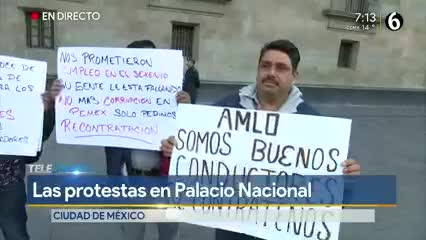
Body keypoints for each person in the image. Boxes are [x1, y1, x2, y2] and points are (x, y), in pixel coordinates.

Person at [160, 39, 361, 240]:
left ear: (294, 76)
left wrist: (347, 180)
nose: (271, 73)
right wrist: (174, 152)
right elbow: (190, 164)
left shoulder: (315, 125)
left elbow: (333, 202)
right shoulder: (224, 109)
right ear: (257, 70)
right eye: (265, 66)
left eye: (281, 68)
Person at [119, 39, 191, 240]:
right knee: (132, 234)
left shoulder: (173, 94)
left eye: (152, 58)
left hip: (165, 180)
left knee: (169, 234)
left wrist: (188, 109)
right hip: (131, 180)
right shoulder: (115, 94)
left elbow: (194, 136)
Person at [0, 79, 63, 240]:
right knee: (14, 230)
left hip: (9, 187)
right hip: (9, 185)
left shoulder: (18, 111)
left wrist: (46, 109)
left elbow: (32, 149)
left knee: (14, 230)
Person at [103, 40, 157, 176]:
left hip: (146, 140)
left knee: (140, 181)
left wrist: (185, 103)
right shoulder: (110, 80)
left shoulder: (164, 84)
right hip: (115, 139)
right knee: (114, 178)